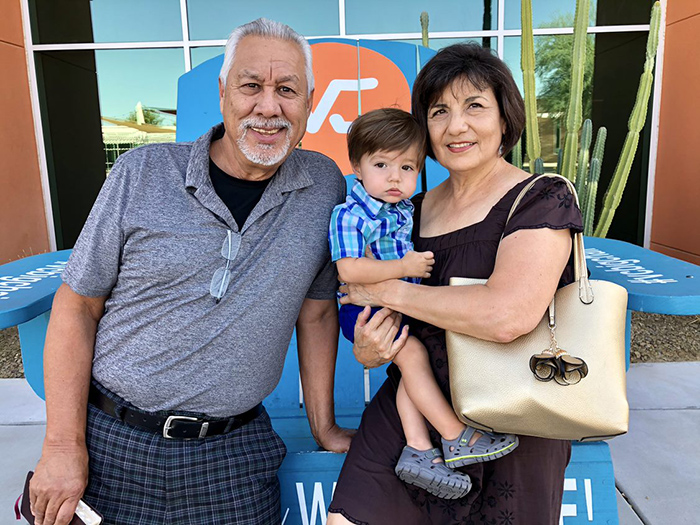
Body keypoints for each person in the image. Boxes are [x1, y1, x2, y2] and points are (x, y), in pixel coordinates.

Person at [29, 18, 353, 525]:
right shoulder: (142, 173)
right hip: (112, 442)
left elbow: (315, 316)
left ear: (310, 101)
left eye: (287, 90)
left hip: (235, 455)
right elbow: (77, 305)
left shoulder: (323, 186)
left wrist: (326, 428)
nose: (269, 107)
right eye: (252, 86)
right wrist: (62, 445)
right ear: (223, 92)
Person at [327, 43, 583, 525]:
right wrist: (370, 347)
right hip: (415, 405)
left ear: (505, 119)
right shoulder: (410, 209)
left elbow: (507, 316)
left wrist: (384, 292)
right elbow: (361, 302)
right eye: (439, 110)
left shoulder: (539, 200)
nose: (456, 126)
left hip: (514, 411)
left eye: (475, 106)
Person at [328, 108, 517, 500]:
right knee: (412, 356)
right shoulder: (351, 214)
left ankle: (418, 449)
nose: (395, 177)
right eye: (381, 164)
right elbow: (348, 268)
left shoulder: (405, 209)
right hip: (363, 311)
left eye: (408, 167)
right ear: (357, 167)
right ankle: (455, 434)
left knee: (411, 367)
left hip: (396, 306)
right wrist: (404, 266)